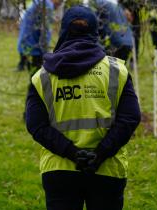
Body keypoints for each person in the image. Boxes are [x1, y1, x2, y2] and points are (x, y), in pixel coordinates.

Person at [26, 6, 141, 210]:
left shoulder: (41, 77)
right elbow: (130, 119)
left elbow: (36, 126)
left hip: (59, 171)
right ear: (95, 32)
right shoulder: (116, 71)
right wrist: (99, 155)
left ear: (63, 32)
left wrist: (72, 153)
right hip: (107, 171)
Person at [16, 0, 61, 74]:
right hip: (33, 42)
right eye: (59, 2)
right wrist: (45, 50)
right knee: (36, 69)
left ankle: (22, 65)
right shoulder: (47, 6)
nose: (59, 4)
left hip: (26, 36)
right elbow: (46, 30)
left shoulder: (38, 2)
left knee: (27, 51)